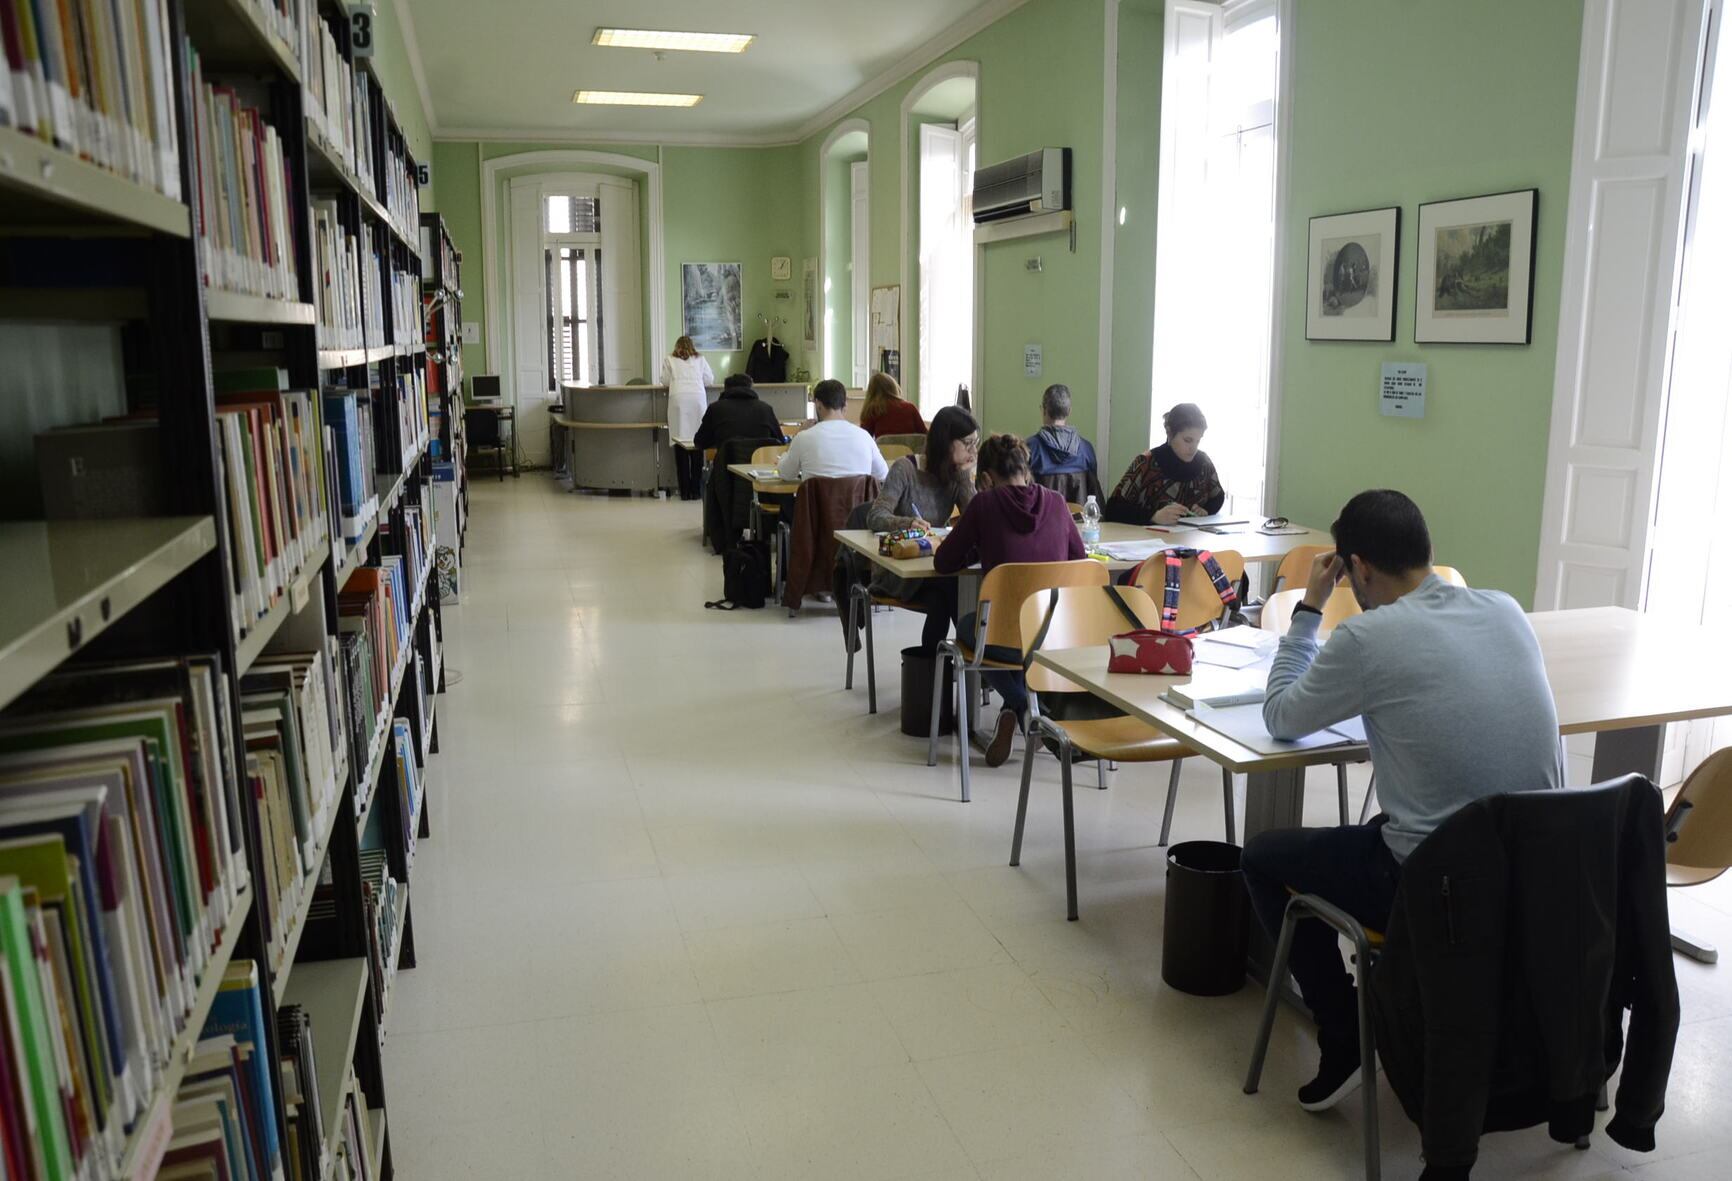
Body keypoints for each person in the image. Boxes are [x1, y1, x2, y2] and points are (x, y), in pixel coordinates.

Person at [1241, 490, 1562, 1115]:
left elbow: (1281, 715)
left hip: (1434, 885)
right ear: (1428, 552)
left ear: (1357, 568)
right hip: (1540, 875)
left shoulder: (1367, 637)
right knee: (1390, 819)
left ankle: (1345, 1036)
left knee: (1263, 856)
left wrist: (1308, 607)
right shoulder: (1504, 608)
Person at [935, 434, 1085, 767]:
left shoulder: (984, 504)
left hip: (1003, 634)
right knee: (1020, 638)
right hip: (1053, 633)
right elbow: (1079, 558)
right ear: (1025, 469)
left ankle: (1019, 706)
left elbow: (943, 562)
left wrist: (977, 547)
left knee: (970, 627)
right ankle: (1025, 710)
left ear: (986, 478)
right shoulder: (1058, 503)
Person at [865, 406, 978, 652]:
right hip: (899, 567)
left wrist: (965, 479)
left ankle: (940, 668)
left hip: (934, 565)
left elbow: (975, 518)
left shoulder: (956, 475)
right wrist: (906, 522)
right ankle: (972, 657)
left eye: (975, 444)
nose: (973, 451)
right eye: (967, 443)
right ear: (947, 442)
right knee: (951, 588)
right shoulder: (905, 469)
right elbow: (876, 516)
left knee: (953, 592)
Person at [1103, 402, 1226, 526]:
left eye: (1198, 441)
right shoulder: (1146, 462)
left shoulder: (1204, 462)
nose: (1193, 448)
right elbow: (1113, 509)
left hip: (1192, 539)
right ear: (1169, 433)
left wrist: (1206, 510)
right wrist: (1153, 516)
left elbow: (1218, 496)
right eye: (1187, 440)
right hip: (1150, 541)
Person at [778, 380, 888, 482]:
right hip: (857, 503)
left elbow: (785, 474)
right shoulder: (865, 437)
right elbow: (883, 474)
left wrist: (797, 436)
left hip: (817, 503)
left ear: (818, 404)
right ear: (845, 405)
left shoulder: (803, 438)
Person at [1024, 383, 1104, 504]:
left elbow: (1021, 498)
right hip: (1077, 522)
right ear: (1069, 411)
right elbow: (1095, 500)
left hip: (1042, 522)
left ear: (1043, 410)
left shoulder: (1028, 449)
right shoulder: (1086, 449)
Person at [661, 335, 715, 500]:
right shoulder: (700, 360)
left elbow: (665, 381)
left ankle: (684, 491)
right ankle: (696, 491)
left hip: (678, 401)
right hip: (697, 401)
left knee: (680, 444)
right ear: (692, 347)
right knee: (697, 443)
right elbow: (710, 379)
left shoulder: (669, 360)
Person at [693, 372, 785, 455]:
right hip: (759, 467)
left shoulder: (716, 408)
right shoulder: (766, 409)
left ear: (725, 389)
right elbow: (780, 442)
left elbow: (700, 442)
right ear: (750, 388)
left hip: (725, 469)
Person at [859, 372, 926, 438]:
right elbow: (925, 435)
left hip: (883, 449)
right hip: (911, 449)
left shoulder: (873, 410)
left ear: (871, 392)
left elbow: (863, 439)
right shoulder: (910, 408)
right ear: (894, 387)